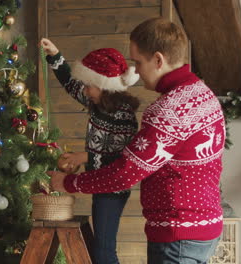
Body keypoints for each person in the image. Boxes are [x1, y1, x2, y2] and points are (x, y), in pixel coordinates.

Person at [48, 17, 224, 264]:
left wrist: (70, 183)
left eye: (138, 62)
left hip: (178, 236)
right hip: (204, 228)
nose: (136, 71)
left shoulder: (168, 110)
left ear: (159, 60)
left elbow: (125, 172)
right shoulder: (204, 95)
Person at [41, 38, 140, 264]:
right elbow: (69, 82)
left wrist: (83, 156)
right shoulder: (97, 102)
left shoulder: (123, 114)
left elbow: (121, 159)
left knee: (104, 252)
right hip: (100, 182)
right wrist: (55, 55)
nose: (84, 90)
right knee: (100, 248)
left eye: (88, 85)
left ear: (104, 85)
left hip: (113, 188)